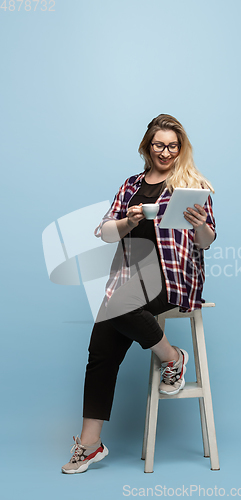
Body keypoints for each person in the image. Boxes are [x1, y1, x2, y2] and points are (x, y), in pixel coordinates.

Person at [61, 114, 217, 474]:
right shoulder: (131, 185)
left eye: (173, 146)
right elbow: (105, 231)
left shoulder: (192, 184)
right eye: (159, 145)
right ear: (148, 146)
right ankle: (90, 444)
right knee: (100, 350)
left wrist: (199, 227)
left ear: (181, 149)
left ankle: (173, 358)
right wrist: (129, 221)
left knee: (116, 306)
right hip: (130, 279)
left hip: (174, 277)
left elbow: (208, 241)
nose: (166, 152)